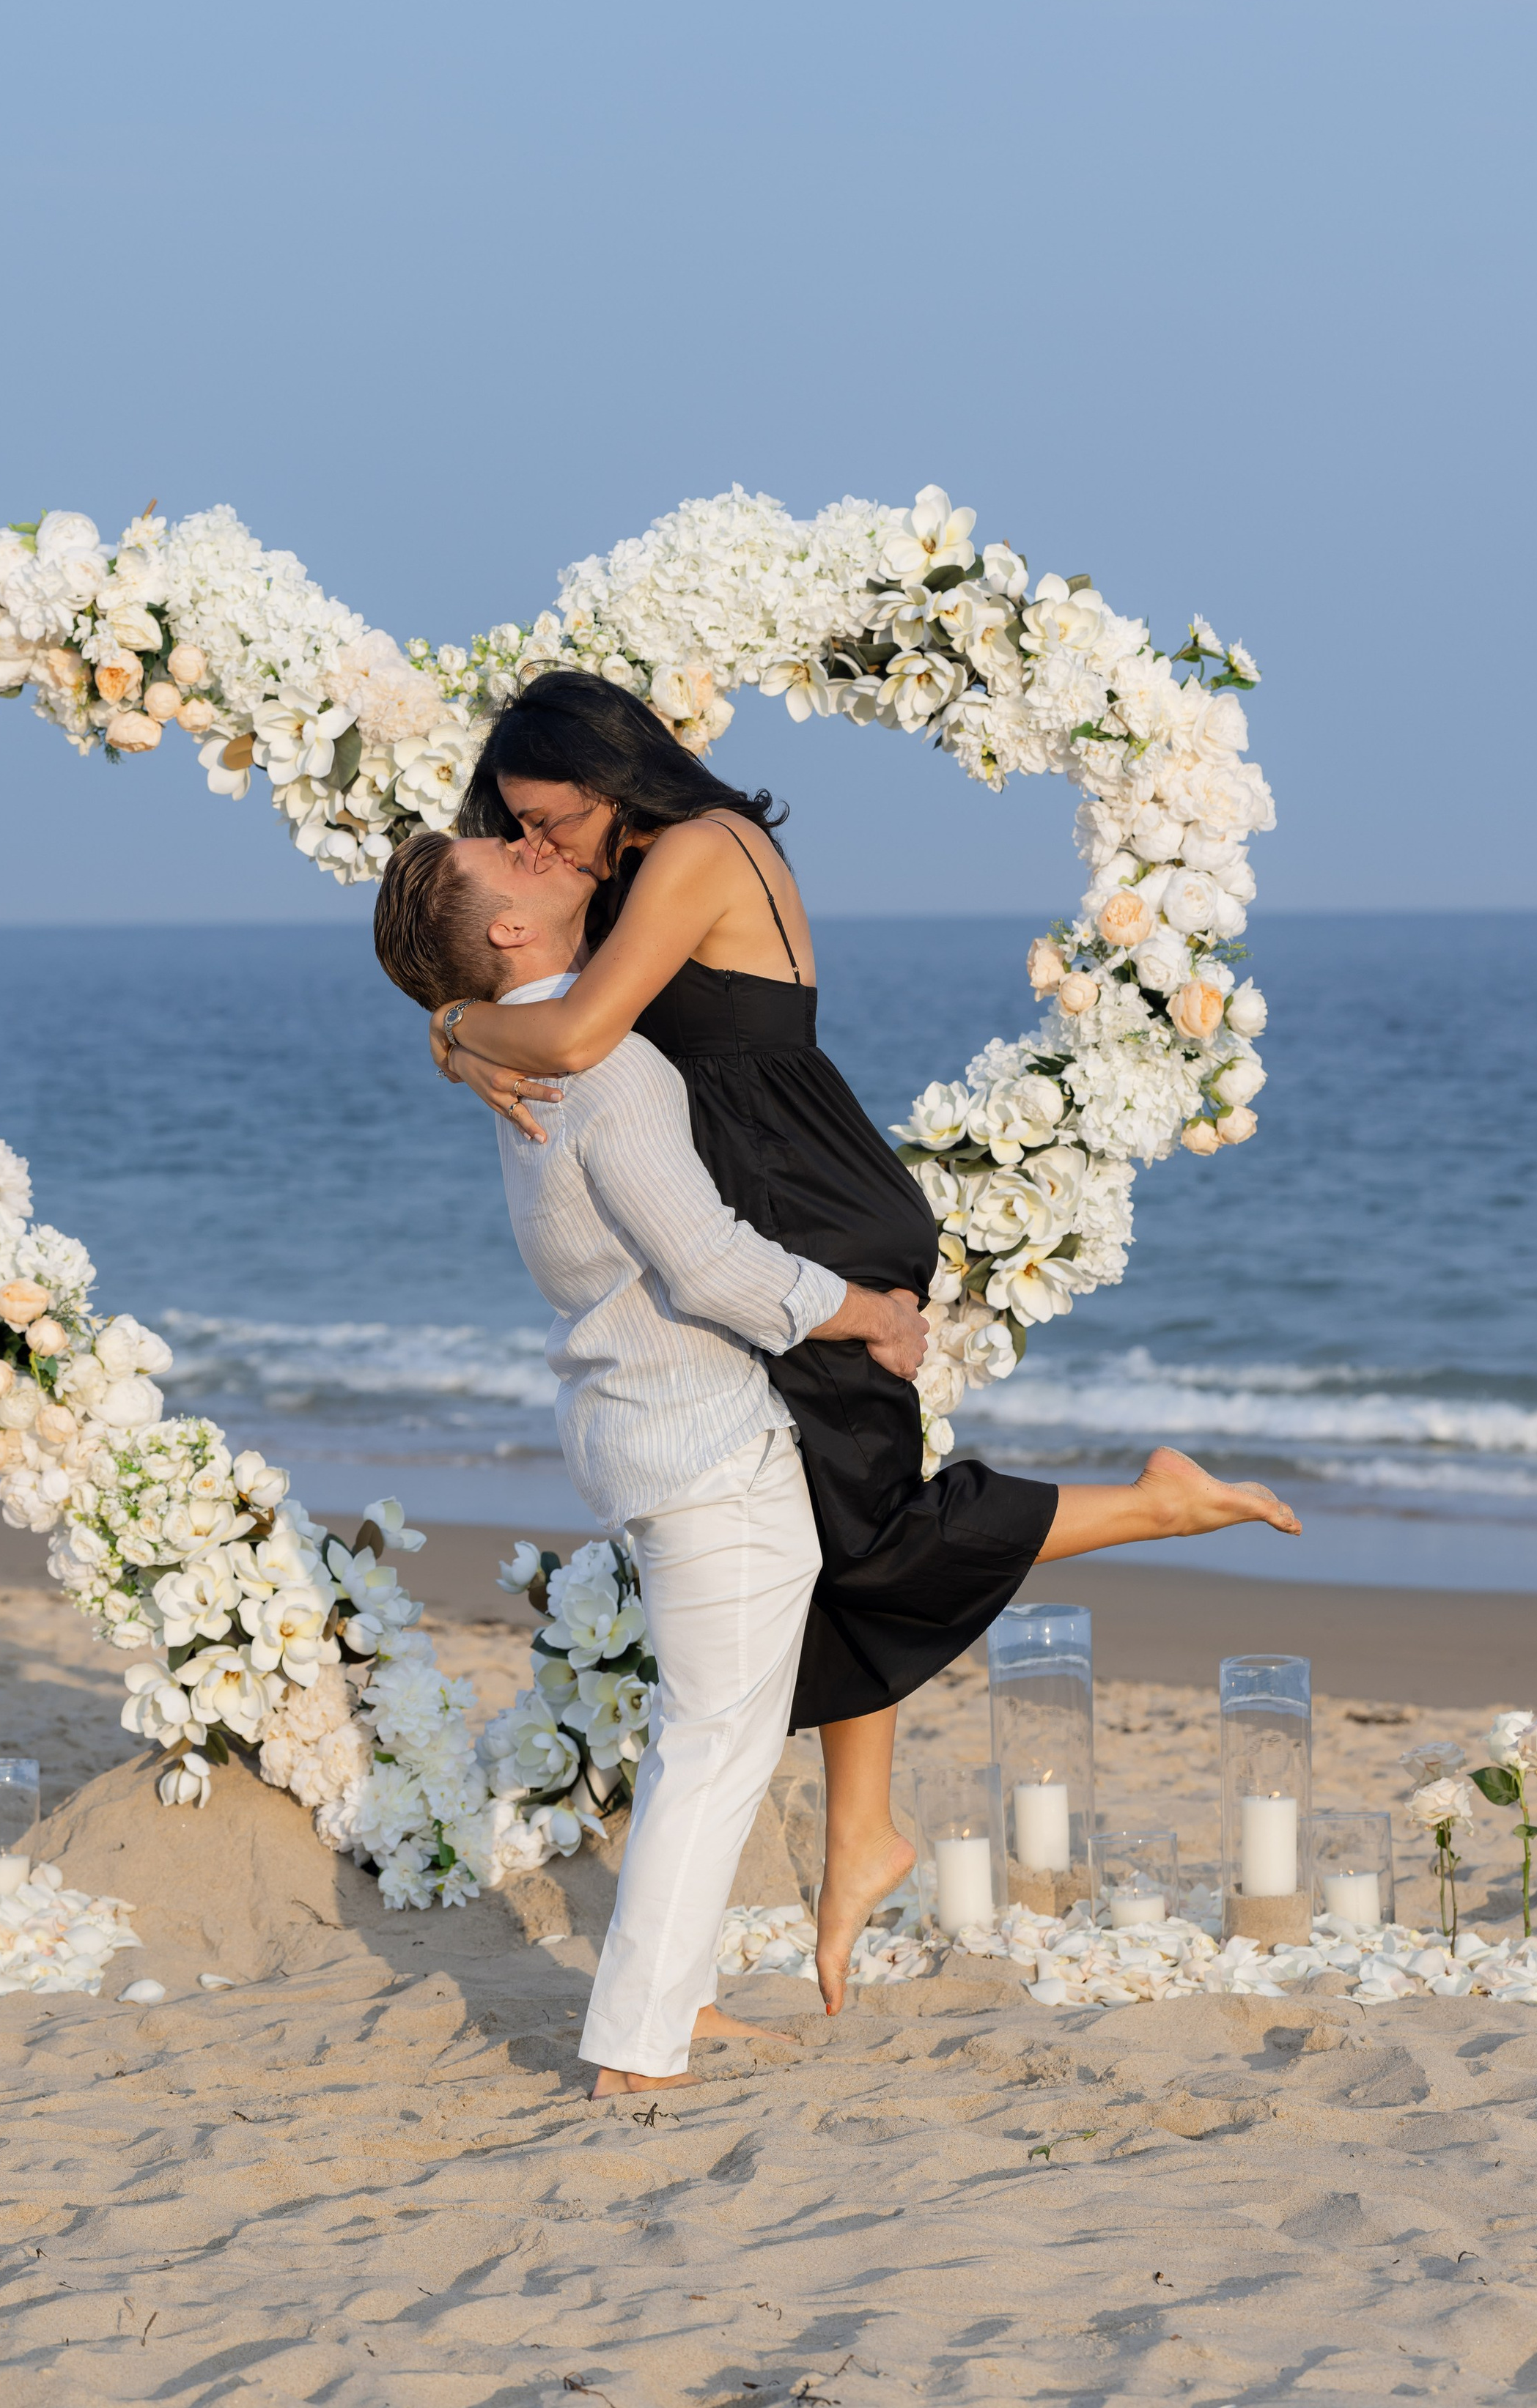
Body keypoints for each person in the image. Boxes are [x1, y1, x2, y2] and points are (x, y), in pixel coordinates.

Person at [416, 670, 1301, 2009]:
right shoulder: (630, 870)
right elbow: (536, 979)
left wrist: (452, 1024)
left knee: (868, 1526)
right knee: (837, 1521)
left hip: (806, 1212)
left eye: (549, 818)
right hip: (778, 1204)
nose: (540, 849)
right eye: (521, 831)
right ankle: (861, 1838)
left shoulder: (703, 851)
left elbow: (579, 1029)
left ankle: (1155, 1507)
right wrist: (464, 1016)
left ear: (612, 778)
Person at [373, 819, 929, 2095]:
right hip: (702, 1442)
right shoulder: (598, 1065)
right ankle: (637, 2044)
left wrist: (451, 1032)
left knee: (716, 1735)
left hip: (647, 1429)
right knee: (712, 1741)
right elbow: (715, 1264)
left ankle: (677, 2003)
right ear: (511, 931)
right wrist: (869, 1311)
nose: (536, 846)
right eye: (511, 859)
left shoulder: (529, 1058)